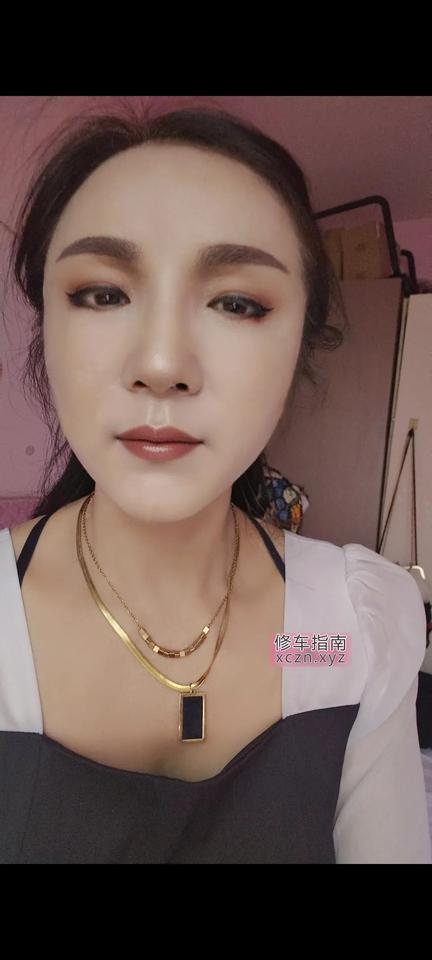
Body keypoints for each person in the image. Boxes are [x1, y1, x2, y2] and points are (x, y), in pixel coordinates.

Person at [0, 102, 430, 864]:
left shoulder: (352, 626)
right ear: (47, 330)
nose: (161, 363)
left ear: (300, 347)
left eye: (237, 302)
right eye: (103, 293)